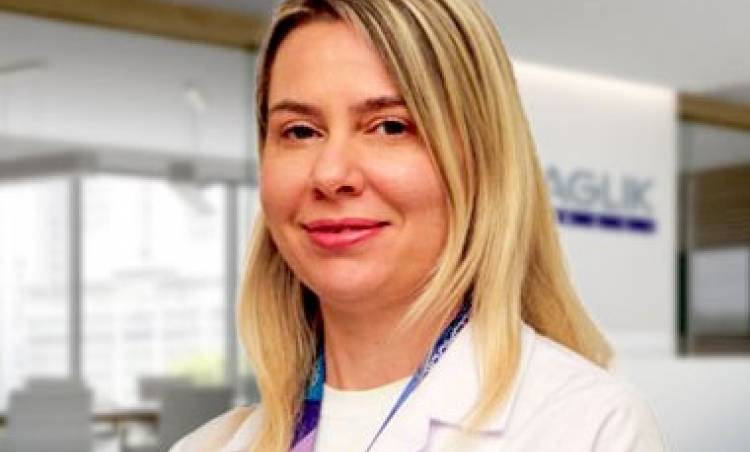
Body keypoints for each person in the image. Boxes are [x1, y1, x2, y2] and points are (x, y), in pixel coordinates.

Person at [171, 0, 666, 451]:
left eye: (390, 126)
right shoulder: (207, 447)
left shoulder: (588, 427)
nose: (330, 174)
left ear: (481, 161)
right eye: (300, 131)